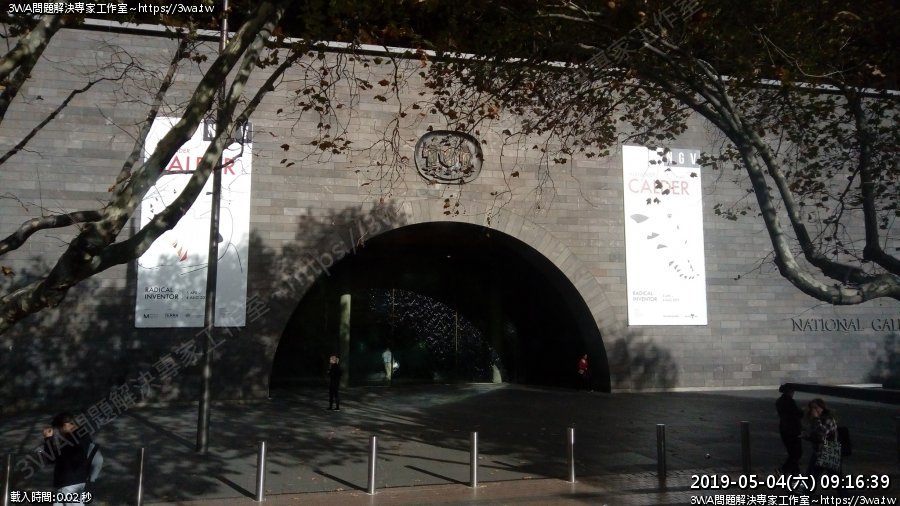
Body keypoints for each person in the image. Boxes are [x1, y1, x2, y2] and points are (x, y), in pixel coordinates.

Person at [42, 412, 91, 505]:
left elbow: (51, 458)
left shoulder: (71, 440)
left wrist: (48, 439)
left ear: (65, 425)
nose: (59, 432)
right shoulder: (83, 435)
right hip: (77, 480)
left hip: (69, 483)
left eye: (59, 429)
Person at [805, 398, 839, 477]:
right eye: (812, 408)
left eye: (816, 407)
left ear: (822, 408)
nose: (814, 410)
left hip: (829, 450)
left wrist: (816, 418)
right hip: (818, 451)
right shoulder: (818, 419)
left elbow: (822, 433)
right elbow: (815, 434)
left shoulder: (828, 419)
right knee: (811, 476)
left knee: (834, 477)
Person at [775, 384, 803, 475]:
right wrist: (802, 411)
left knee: (792, 452)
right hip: (792, 429)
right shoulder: (790, 401)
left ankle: (796, 474)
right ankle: (783, 469)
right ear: (789, 391)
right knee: (797, 453)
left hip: (784, 428)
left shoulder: (779, 401)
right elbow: (797, 414)